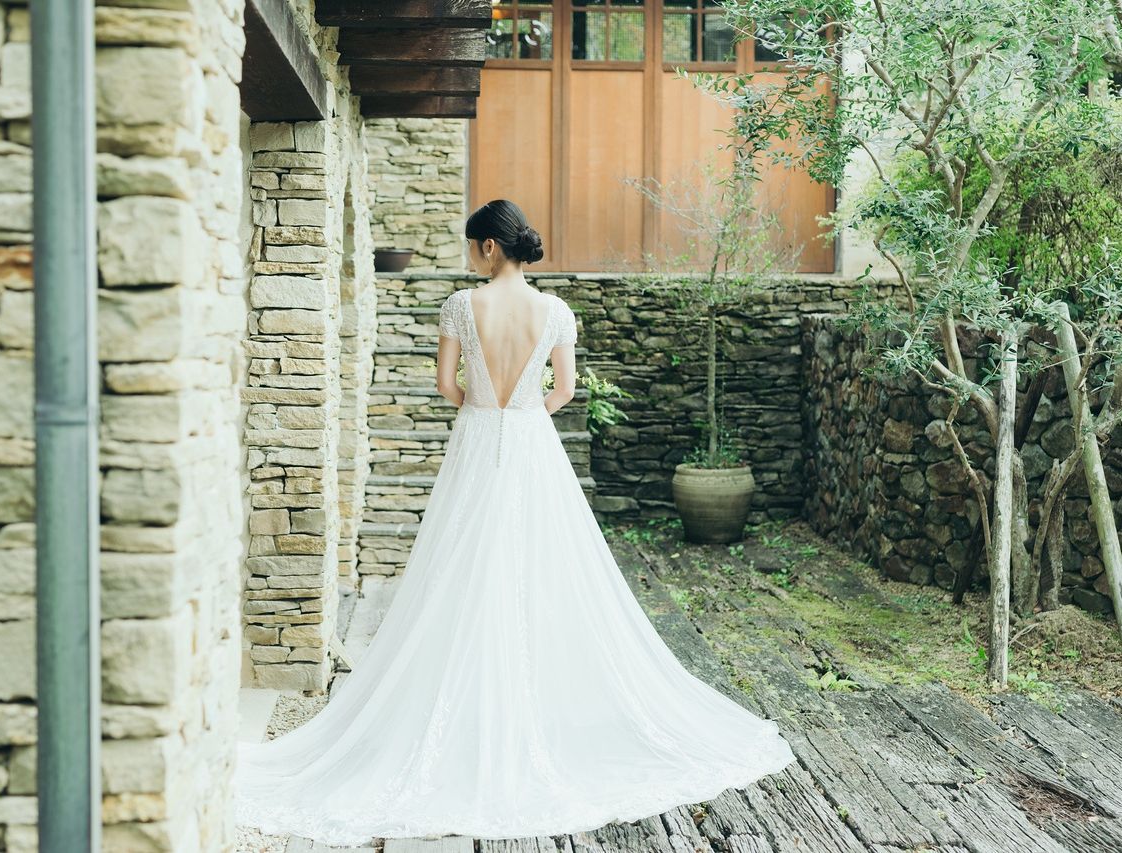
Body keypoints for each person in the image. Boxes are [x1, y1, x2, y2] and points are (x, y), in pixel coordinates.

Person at [232, 199, 797, 846]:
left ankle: (468, 707)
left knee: (458, 569)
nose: (470, 257)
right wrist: (525, 412)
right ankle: (527, 705)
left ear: (489, 247)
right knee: (540, 568)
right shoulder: (555, 311)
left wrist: (482, 407)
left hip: (476, 440)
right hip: (532, 443)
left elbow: (446, 384)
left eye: (472, 246)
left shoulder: (460, 306)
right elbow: (566, 389)